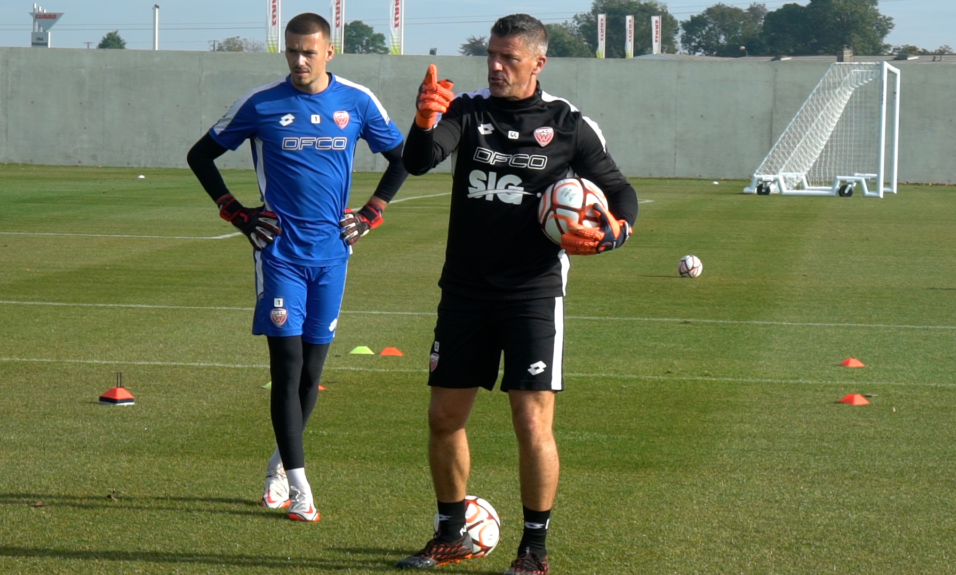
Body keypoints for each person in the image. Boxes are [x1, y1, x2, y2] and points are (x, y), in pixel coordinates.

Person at [395, 13, 638, 575]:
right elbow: (418, 161)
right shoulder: (468, 110)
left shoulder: (569, 125)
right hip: (464, 290)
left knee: (532, 424)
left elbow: (620, 190)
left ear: (538, 62)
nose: (497, 67)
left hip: (532, 294)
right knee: (443, 417)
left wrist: (616, 232)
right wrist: (424, 120)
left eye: (509, 58)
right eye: (491, 56)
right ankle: (450, 533)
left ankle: (533, 550)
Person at [186, 12, 407, 522]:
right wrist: (238, 214)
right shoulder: (261, 103)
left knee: (312, 375)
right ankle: (302, 489)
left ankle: (281, 465)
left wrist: (373, 212)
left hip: (332, 255)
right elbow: (201, 156)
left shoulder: (358, 101)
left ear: (330, 52)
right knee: (285, 372)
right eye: (292, 51)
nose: (300, 60)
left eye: (309, 51)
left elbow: (402, 160)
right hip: (279, 254)